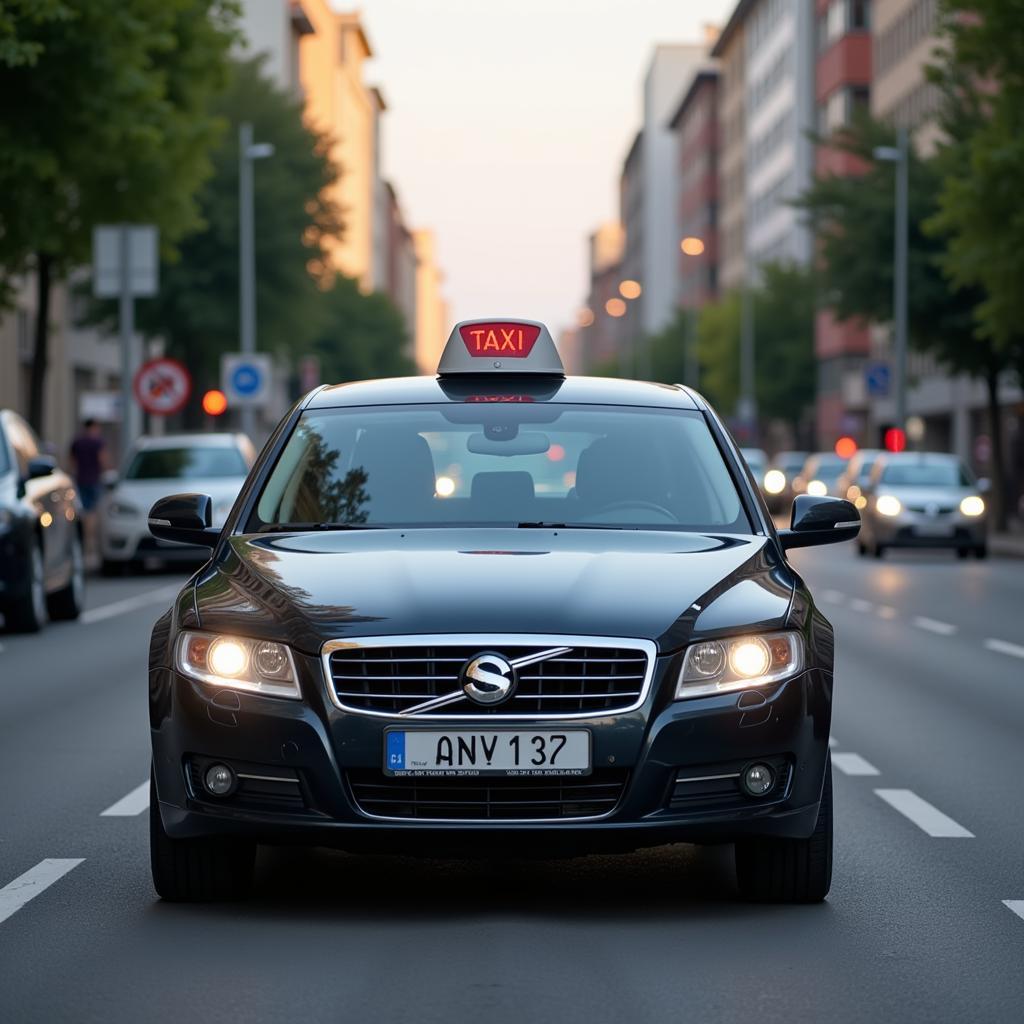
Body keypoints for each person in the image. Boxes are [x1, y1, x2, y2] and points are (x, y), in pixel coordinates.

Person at [69, 419, 108, 564]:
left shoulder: (77, 443)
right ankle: (90, 544)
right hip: (94, 480)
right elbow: (102, 460)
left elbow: (72, 463)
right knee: (93, 513)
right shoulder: (98, 443)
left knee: (84, 512)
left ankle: (86, 543)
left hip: (81, 480)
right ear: (94, 427)